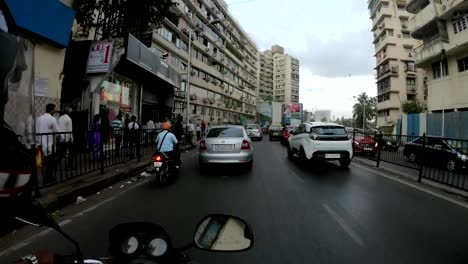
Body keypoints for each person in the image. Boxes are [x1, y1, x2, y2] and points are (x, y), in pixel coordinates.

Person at [36, 104, 60, 184]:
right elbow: (57, 132)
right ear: (52, 110)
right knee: (49, 162)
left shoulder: (39, 118)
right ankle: (47, 179)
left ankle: (43, 178)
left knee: (42, 163)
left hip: (40, 143)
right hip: (49, 144)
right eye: (54, 110)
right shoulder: (52, 119)